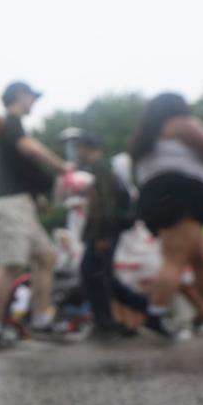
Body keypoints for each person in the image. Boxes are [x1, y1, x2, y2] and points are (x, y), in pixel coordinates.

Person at [128, 92, 203, 340]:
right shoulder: (176, 124)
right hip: (180, 196)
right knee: (175, 259)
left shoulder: (148, 139)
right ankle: (155, 315)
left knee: (202, 259)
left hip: (162, 196)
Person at [0, 81, 72, 345]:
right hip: (10, 203)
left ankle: (41, 320)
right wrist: (61, 166)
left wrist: (36, 197)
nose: (34, 103)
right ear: (21, 96)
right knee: (11, 264)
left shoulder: (7, 128)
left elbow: (19, 167)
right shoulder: (9, 122)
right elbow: (29, 149)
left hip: (20, 203)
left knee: (46, 257)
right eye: (32, 97)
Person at [65, 132, 147, 338]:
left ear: (87, 148)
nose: (77, 153)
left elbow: (105, 204)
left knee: (93, 274)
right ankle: (141, 311)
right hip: (106, 229)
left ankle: (106, 324)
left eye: (80, 148)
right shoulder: (100, 169)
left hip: (104, 230)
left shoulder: (100, 169)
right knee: (104, 278)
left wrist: (102, 235)